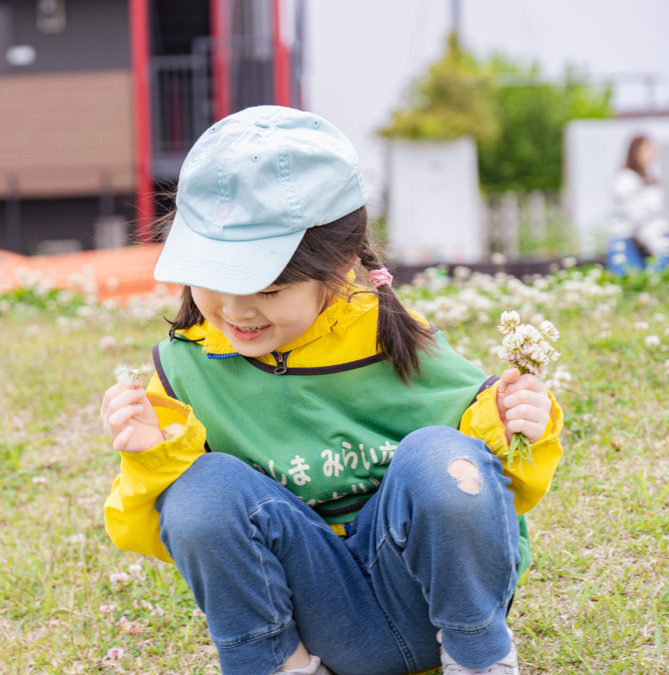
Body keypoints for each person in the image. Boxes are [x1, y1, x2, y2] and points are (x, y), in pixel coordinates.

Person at [101, 106, 563, 675]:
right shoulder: (183, 372)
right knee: (201, 487)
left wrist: (519, 421)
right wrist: (152, 456)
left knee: (439, 454)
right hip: (313, 621)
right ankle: (280, 666)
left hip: (431, 601)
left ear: (340, 263)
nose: (237, 310)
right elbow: (169, 529)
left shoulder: (387, 335)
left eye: (269, 288)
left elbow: (485, 486)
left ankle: (478, 659)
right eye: (213, 279)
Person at [608, 134, 669, 274]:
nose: (652, 152)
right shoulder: (625, 180)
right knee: (631, 283)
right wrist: (659, 246)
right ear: (635, 152)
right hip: (627, 245)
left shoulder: (650, 179)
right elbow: (638, 219)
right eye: (647, 149)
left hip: (647, 241)